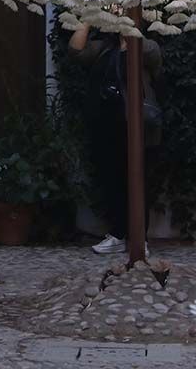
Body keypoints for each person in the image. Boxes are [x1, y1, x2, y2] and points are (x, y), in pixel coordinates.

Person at [69, 21, 162, 256]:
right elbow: (76, 50)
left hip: (138, 126)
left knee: (139, 181)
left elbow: (153, 59)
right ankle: (119, 234)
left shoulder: (146, 46)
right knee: (113, 181)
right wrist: (88, 17)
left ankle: (139, 238)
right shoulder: (103, 48)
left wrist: (129, 29)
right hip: (108, 125)